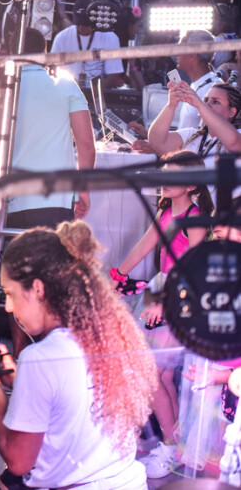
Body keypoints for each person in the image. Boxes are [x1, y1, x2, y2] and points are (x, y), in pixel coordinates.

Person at [0, 222, 157, 489]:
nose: (9, 308)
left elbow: (19, 462)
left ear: (38, 289)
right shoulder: (110, 336)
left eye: (11, 295)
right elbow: (73, 398)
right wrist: (18, 380)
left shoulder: (41, 357)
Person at [110, 150, 214, 479]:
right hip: (161, 289)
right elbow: (144, 245)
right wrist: (117, 277)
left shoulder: (195, 218)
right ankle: (170, 442)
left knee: (152, 374)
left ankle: (169, 445)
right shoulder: (167, 210)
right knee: (160, 375)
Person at [7, 28, 96, 227]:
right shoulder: (66, 84)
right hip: (55, 197)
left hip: (10, 198)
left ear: (12, 53)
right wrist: (83, 189)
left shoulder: (3, 91)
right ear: (44, 52)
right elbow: (86, 143)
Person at [148, 82, 241, 170]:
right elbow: (156, 141)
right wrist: (171, 105)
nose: (207, 105)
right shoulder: (192, 135)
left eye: (216, 102)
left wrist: (199, 104)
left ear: (232, 112)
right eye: (206, 100)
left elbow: (233, 141)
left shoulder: (238, 134)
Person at [50, 0, 125, 89]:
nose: (81, 28)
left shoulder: (110, 37)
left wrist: (95, 94)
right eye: (78, 24)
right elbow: (52, 69)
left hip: (99, 92)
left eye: (85, 25)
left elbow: (113, 74)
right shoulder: (61, 37)